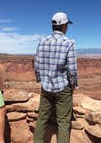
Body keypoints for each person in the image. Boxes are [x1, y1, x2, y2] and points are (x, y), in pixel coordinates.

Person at [33, 12, 78, 143]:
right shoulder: (69, 43)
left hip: (46, 87)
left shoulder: (42, 41)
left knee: (42, 118)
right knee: (63, 122)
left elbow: (37, 65)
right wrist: (72, 86)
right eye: (67, 25)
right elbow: (72, 70)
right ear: (64, 26)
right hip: (62, 88)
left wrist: (40, 79)